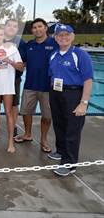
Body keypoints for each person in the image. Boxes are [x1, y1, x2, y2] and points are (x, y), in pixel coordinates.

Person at [48, 24, 93, 176]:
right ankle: (61, 151)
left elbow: (88, 80)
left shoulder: (80, 55)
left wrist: (83, 103)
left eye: (66, 34)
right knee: (59, 124)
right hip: (56, 93)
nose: (63, 37)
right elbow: (52, 75)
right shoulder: (54, 55)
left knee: (72, 130)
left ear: (72, 36)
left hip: (73, 94)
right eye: (59, 35)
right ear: (55, 38)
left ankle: (70, 163)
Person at [14, 18, 59, 153]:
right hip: (30, 85)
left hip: (48, 87)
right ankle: (27, 134)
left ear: (46, 28)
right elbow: (23, 64)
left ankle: (44, 140)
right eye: (34, 27)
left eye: (40, 26)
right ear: (32, 30)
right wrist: (8, 63)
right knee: (26, 112)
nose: (37, 29)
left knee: (47, 115)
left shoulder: (55, 44)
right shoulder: (29, 45)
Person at [0, 25, 23, 153]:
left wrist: (8, 61)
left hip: (7, 86)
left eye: (0, 35)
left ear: (4, 36)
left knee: (8, 112)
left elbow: (20, 67)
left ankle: (10, 142)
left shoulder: (11, 49)